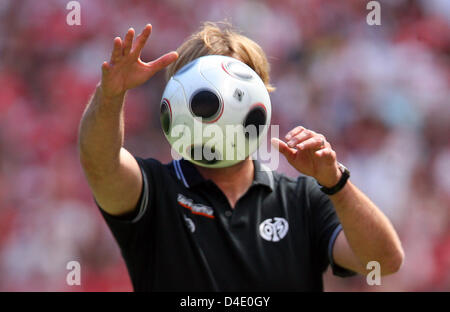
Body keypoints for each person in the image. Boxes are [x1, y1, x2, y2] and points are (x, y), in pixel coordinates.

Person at [78, 22, 404, 291]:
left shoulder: (303, 200)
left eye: (235, 93)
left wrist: (336, 184)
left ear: (260, 98)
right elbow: (99, 162)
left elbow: (383, 261)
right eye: (206, 99)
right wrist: (111, 95)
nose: (219, 110)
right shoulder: (153, 190)